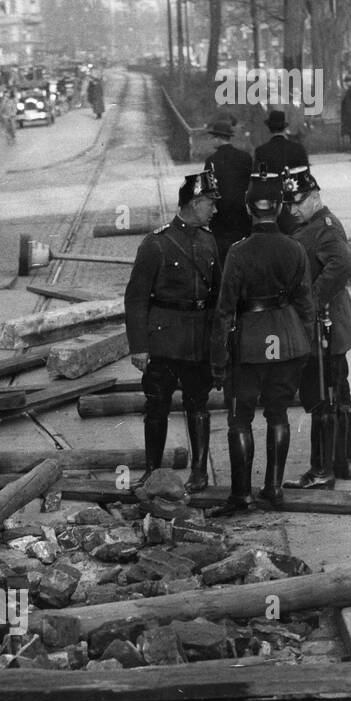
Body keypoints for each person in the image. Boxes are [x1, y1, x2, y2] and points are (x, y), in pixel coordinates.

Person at [209, 170, 314, 514]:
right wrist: (306, 343)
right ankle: (274, 488)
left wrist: (218, 359)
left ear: (248, 209)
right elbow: (305, 304)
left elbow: (225, 310)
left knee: (240, 420)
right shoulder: (296, 248)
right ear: (280, 206)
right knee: (278, 413)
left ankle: (241, 495)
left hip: (249, 346)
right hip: (288, 341)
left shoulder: (238, 253)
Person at [124, 170, 222, 492]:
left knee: (198, 403)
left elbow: (219, 296)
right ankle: (153, 472)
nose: (215, 209)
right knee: (157, 406)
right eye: (210, 203)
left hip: (198, 340)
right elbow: (136, 298)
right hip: (164, 339)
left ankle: (199, 473)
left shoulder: (210, 242)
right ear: (194, 203)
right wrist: (139, 346)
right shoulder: (156, 244)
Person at [282, 167, 351, 488]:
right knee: (338, 390)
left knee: (322, 394)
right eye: (289, 204)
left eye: (298, 202)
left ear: (315, 197)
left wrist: (311, 300)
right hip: (330, 322)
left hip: (324, 324)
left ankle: (321, 471)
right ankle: (343, 463)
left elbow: (344, 264)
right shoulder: (316, 225)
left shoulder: (323, 227)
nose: (293, 209)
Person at [203, 117, 252, 265]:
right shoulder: (245, 157)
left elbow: (207, 190)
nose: (211, 141)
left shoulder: (211, 161)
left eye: (213, 137)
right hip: (241, 214)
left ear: (218, 138)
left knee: (223, 259)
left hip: (220, 217)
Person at [253, 110, 309, 174]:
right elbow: (306, 176)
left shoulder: (261, 151)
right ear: (285, 128)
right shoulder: (298, 148)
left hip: (273, 183)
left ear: (269, 129)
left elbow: (260, 178)